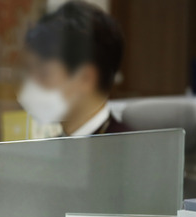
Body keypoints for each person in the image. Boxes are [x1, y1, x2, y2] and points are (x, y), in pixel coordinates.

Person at [18, 0, 130, 136]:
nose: (30, 86)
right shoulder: (58, 144)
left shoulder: (128, 150)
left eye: (43, 74)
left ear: (85, 79)